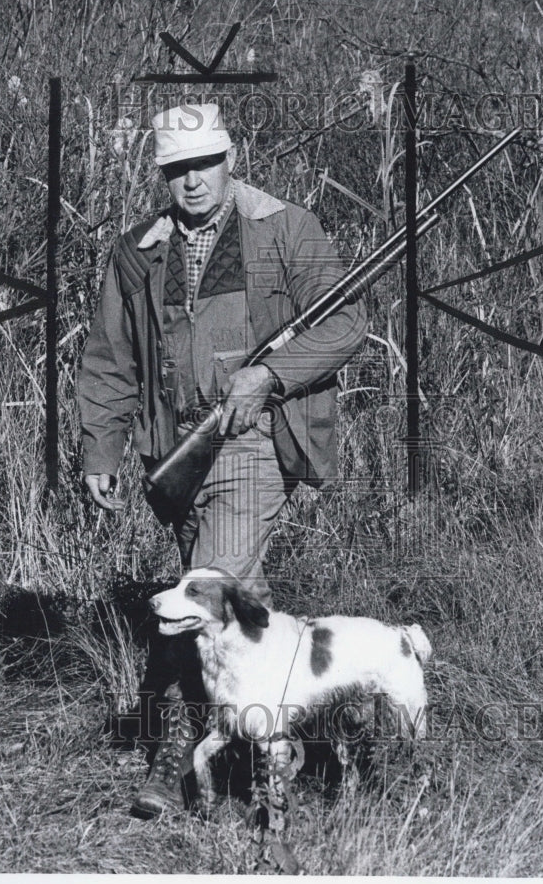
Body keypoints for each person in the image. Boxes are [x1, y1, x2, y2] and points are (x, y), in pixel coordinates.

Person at [77, 102, 367, 817]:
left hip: (252, 445)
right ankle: (304, 740)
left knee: (197, 600)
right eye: (176, 169)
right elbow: (110, 357)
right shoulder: (137, 250)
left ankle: (178, 761)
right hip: (173, 451)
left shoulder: (285, 227)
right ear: (162, 175)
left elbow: (346, 324)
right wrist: (102, 447)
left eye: (203, 163)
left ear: (229, 159)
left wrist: (269, 376)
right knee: (244, 607)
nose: (192, 181)